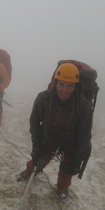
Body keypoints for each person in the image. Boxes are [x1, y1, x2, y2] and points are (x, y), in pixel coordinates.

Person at [17, 63, 93, 202]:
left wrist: (78, 158)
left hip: (71, 142)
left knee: (67, 170)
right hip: (49, 137)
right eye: (62, 84)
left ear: (76, 86)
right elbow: (34, 122)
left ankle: (62, 188)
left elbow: (84, 135)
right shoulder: (44, 98)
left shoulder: (83, 105)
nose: (65, 90)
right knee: (38, 159)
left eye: (70, 86)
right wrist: (36, 146)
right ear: (55, 82)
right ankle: (29, 172)